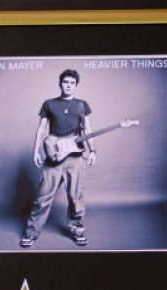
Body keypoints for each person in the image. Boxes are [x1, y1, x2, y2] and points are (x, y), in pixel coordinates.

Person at [20, 69, 97, 247]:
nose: (68, 85)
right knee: (43, 197)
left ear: (76, 85)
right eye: (65, 82)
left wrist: (93, 151)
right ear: (60, 84)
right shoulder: (49, 104)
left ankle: (77, 230)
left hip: (76, 158)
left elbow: (88, 129)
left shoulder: (82, 105)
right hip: (54, 156)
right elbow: (41, 128)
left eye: (72, 83)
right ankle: (31, 232)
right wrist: (35, 150)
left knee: (76, 197)